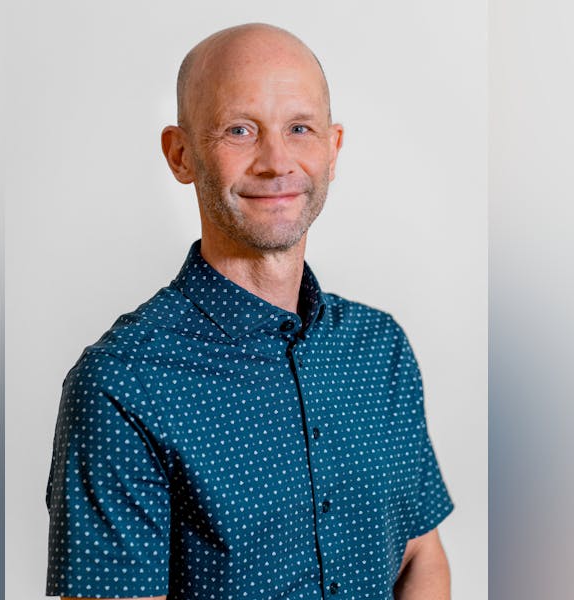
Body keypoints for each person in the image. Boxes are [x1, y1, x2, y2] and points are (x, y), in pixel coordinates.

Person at [46, 23, 454, 600]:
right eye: (240, 130)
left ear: (333, 149)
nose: (276, 161)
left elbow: (421, 557)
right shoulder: (121, 385)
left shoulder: (379, 347)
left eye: (300, 128)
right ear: (180, 154)